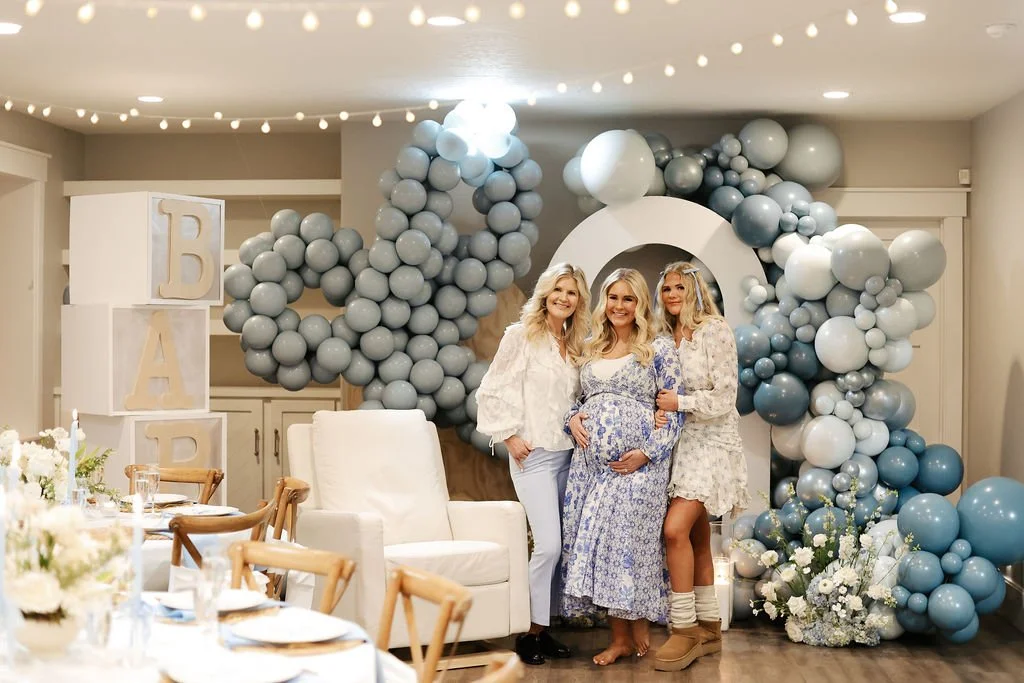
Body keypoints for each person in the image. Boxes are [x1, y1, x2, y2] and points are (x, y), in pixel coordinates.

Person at [560, 267, 684, 666]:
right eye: (613, 297)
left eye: (628, 298)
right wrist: (573, 419)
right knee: (603, 547)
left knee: (631, 543)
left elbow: (674, 409)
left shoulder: (658, 348)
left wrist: (648, 452)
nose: (619, 305)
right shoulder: (592, 347)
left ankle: (638, 623)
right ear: (604, 302)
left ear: (640, 304)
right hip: (591, 467)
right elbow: (578, 401)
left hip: (641, 465)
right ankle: (620, 638)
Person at [476, 262, 591, 666]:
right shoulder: (520, 336)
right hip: (534, 456)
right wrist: (509, 436)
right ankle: (527, 633)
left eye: (572, 292)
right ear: (545, 293)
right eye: (558, 289)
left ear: (579, 302)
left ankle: (545, 629)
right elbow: (490, 390)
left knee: (563, 547)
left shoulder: (575, 344)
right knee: (548, 545)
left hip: (569, 458)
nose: (564, 297)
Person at [651, 261, 749, 672]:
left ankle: (684, 628)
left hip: (712, 443)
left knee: (673, 530)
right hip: (678, 444)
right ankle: (710, 626)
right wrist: (659, 413)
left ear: (694, 289)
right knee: (694, 538)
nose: (672, 295)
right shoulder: (663, 337)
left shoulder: (715, 329)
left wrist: (681, 404)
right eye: (666, 289)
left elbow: (726, 396)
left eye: (679, 287)